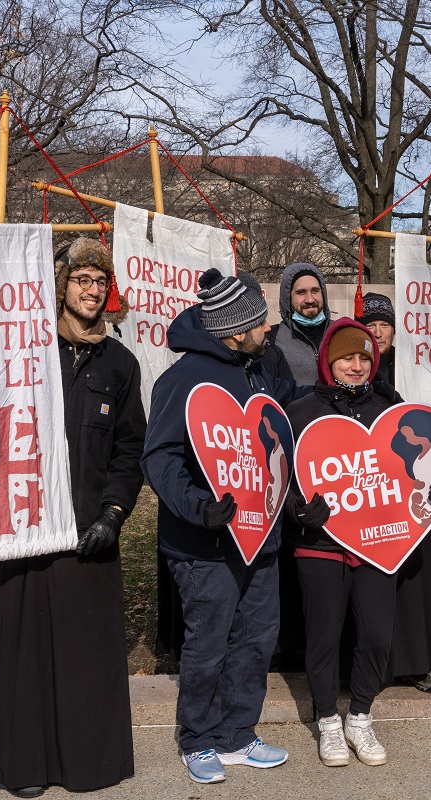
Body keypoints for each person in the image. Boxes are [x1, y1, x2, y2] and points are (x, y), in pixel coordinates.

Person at [0, 237, 146, 798]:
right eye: (82, 280)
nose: (93, 291)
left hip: (88, 530)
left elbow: (129, 449)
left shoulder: (120, 362)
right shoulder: (25, 347)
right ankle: (22, 765)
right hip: (22, 522)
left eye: (100, 281)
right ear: (61, 285)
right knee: (21, 650)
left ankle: (86, 762)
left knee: (83, 654)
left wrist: (113, 515)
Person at [142, 268, 301, 784]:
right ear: (235, 330)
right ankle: (197, 738)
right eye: (258, 321)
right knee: (207, 642)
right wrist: (197, 506)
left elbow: (290, 421)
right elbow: (160, 456)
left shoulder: (257, 370)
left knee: (257, 637)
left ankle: (237, 733)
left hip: (261, 538)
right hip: (204, 541)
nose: (268, 327)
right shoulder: (183, 378)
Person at [285, 319, 431, 767]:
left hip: (377, 544)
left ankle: (360, 715)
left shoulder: (390, 406)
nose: (356, 365)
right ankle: (327, 720)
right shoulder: (301, 410)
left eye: (365, 357)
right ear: (328, 360)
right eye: (347, 356)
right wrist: (296, 509)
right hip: (319, 544)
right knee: (323, 638)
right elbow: (281, 477)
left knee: (378, 635)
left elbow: (412, 472)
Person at [359, 293, 431, 694]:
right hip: (371, 489)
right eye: (371, 325)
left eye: (384, 325)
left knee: (414, 575)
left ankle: (417, 660)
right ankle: (375, 665)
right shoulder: (351, 370)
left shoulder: (411, 368)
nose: (378, 332)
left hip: (410, 487)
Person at [271, 262, 332, 384]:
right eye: (301, 292)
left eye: (315, 291)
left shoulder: (341, 332)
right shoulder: (272, 338)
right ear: (288, 298)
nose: (310, 299)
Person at [360, 291, 396, 386]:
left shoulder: (408, 363)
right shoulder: (352, 367)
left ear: (393, 330)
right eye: (370, 326)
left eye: (384, 325)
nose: (378, 334)